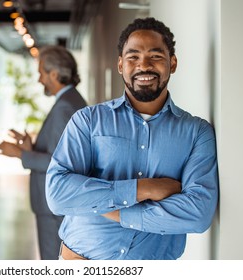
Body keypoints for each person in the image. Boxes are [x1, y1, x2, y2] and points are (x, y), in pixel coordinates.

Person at [46, 17, 219, 260]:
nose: (144, 65)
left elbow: (198, 214)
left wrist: (112, 210)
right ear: (120, 65)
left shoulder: (196, 132)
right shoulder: (87, 120)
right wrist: (144, 189)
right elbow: (58, 194)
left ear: (173, 62)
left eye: (156, 56)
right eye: (133, 57)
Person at [0, 45, 87, 260]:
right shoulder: (71, 100)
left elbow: (60, 162)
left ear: (54, 74)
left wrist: (19, 153)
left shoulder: (64, 106)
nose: (39, 79)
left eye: (41, 73)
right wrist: (31, 148)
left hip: (52, 206)